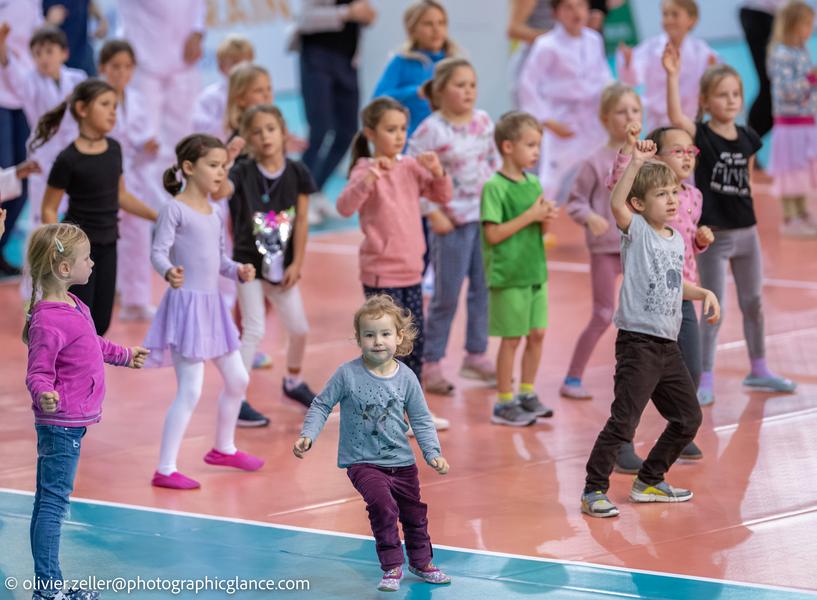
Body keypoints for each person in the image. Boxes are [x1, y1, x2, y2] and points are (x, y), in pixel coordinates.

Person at [581, 139, 719, 518]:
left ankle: (650, 481)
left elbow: (675, 284)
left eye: (674, 192)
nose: (672, 200)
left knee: (688, 418)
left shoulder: (675, 241)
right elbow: (616, 204)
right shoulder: (637, 229)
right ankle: (594, 489)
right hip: (638, 344)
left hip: (666, 346)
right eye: (661, 194)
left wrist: (703, 292)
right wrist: (635, 163)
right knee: (624, 421)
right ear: (640, 204)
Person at [664, 43, 798, 406]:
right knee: (714, 305)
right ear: (706, 101)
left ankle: (759, 368)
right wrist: (672, 76)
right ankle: (704, 375)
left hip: (746, 233)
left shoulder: (747, 137)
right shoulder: (701, 136)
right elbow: (675, 115)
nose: (731, 100)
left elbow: (747, 182)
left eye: (735, 94)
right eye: (722, 95)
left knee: (753, 302)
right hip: (715, 236)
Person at [294, 294, 452, 592]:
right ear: (359, 339)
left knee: (414, 514)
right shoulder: (347, 374)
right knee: (382, 505)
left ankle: (421, 562)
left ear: (398, 337)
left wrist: (432, 453)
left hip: (402, 463)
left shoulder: (407, 378)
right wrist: (308, 435)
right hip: (363, 462)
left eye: (385, 334)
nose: (378, 341)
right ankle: (392, 566)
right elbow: (321, 405)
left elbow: (421, 419)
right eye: (369, 335)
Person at [24, 222, 148, 600]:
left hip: (71, 423)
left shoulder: (74, 305)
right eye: (87, 258)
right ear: (64, 268)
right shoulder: (48, 319)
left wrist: (124, 355)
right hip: (60, 426)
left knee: (48, 502)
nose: (93, 263)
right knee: (53, 505)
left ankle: (48, 586)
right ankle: (48, 591)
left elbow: (91, 343)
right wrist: (45, 393)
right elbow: (37, 372)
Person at [145, 134, 264, 490]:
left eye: (223, 166)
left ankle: (224, 448)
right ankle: (165, 468)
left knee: (238, 379)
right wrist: (168, 271)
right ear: (188, 168)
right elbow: (158, 252)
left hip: (213, 309)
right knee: (191, 390)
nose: (220, 172)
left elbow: (220, 259)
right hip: (187, 309)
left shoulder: (215, 211)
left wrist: (238, 270)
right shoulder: (175, 209)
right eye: (213, 165)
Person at [337, 96, 452, 431]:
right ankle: (384, 414)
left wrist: (438, 171)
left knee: (412, 346)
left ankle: (414, 412)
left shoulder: (410, 167)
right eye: (391, 129)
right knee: (383, 349)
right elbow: (344, 207)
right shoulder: (364, 170)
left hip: (411, 271)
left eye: (403, 129)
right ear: (371, 133)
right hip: (381, 273)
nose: (399, 135)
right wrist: (367, 181)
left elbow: (442, 195)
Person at [408, 58, 501, 395]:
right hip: (451, 223)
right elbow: (413, 177)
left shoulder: (483, 121)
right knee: (446, 295)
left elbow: (494, 161)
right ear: (440, 90)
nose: (468, 91)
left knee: (483, 289)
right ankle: (430, 362)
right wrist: (433, 212)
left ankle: (475, 354)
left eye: (472, 85)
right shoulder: (430, 130)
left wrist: (499, 204)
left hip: (484, 217)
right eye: (460, 85)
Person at [36, 79, 157, 335]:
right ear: (82, 109)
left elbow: (121, 195)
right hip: (78, 251)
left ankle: (91, 359)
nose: (113, 112)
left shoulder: (114, 149)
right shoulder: (68, 159)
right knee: (79, 319)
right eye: (105, 104)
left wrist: (157, 215)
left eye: (115, 106)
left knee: (101, 321)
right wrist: (61, 248)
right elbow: (49, 208)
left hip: (108, 244)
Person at [228, 105, 320, 426]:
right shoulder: (242, 172)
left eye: (270, 129)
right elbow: (220, 190)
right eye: (256, 131)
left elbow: (303, 220)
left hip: (281, 265)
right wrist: (228, 158)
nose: (265, 136)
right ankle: (236, 398)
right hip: (248, 263)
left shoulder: (297, 172)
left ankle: (293, 382)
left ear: (283, 133)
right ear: (248, 138)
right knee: (253, 327)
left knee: (299, 329)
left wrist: (297, 262)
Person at [481, 111, 557, 426]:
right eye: (530, 145)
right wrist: (530, 216)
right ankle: (503, 402)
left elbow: (539, 230)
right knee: (511, 339)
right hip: (509, 275)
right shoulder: (494, 187)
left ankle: (527, 393)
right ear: (508, 147)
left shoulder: (534, 183)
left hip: (535, 271)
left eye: (538, 145)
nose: (536, 152)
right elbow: (493, 234)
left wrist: (545, 218)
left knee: (537, 334)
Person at [290, 0, 377, 223]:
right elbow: (303, 19)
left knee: (348, 132)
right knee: (320, 130)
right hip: (317, 57)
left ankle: (316, 188)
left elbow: (364, 16)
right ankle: (299, 197)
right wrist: (346, 13)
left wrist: (366, 16)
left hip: (347, 61)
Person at [98, 39, 166, 322]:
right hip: (103, 178)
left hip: (134, 177)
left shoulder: (137, 99)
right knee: (104, 240)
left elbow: (140, 139)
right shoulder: (96, 99)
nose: (122, 72)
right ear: (103, 67)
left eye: (127, 67)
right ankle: (106, 295)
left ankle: (136, 301)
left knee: (137, 238)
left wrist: (148, 147)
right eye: (115, 66)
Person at [518, 0, 613, 201]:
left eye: (580, 6)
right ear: (555, 13)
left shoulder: (594, 39)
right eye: (568, 7)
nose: (575, 12)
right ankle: (539, 220)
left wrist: (612, 108)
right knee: (550, 183)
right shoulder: (546, 44)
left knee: (605, 174)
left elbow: (604, 78)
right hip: (561, 121)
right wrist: (548, 122)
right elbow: (527, 84)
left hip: (594, 121)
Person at [0, 24, 85, 240]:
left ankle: (73, 261)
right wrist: (2, 47)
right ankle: (38, 262)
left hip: (75, 155)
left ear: (64, 53)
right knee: (42, 223)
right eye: (37, 53)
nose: (43, 58)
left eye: (49, 51)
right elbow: (11, 73)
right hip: (43, 158)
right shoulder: (30, 81)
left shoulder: (78, 79)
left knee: (75, 219)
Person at [116, 0, 206, 161]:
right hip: (143, 63)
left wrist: (197, 31)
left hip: (182, 63)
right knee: (144, 138)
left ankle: (179, 176)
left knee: (186, 134)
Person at [616, 0, 716, 131]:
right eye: (665, 14)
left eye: (675, 14)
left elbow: (713, 84)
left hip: (689, 120)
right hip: (657, 122)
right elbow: (631, 80)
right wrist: (628, 63)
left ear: (692, 20)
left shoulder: (702, 51)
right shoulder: (651, 47)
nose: (669, 19)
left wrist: (713, 72)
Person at [766, 0, 817, 237]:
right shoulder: (782, 53)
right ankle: (790, 218)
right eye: (807, 23)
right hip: (790, 126)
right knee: (791, 171)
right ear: (793, 25)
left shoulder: (802, 52)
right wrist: (810, 79)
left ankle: (803, 213)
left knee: (803, 171)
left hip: (806, 122)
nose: (811, 28)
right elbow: (785, 90)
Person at [372, 1, 459, 137]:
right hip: (411, 140)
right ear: (412, 30)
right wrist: (416, 92)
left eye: (441, 23)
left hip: (448, 139)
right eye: (428, 24)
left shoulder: (454, 64)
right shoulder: (401, 61)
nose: (436, 29)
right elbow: (377, 100)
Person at [0, 2, 42, 276]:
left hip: (23, 91)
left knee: (23, 179)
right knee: (3, 175)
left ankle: (0, 245)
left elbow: (37, 30)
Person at [739, 0, 790, 148]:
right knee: (771, 88)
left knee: (775, 89)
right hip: (761, 16)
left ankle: (747, 145)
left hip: (775, 17)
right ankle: (745, 145)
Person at [192, 34, 255, 140]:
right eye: (235, 63)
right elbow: (201, 133)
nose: (242, 69)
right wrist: (229, 122)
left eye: (246, 63)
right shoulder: (210, 97)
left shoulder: (258, 92)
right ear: (221, 67)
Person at [43, 0, 108, 75]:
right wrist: (48, 23)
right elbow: (33, 37)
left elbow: (88, 3)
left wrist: (101, 19)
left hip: (83, 50)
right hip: (58, 56)